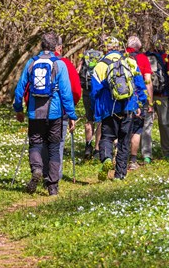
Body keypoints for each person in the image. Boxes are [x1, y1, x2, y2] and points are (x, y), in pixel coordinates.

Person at [13, 32, 77, 196]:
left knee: (35, 144)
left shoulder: (31, 62)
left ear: (41, 46)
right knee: (54, 147)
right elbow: (66, 93)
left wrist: (19, 110)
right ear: (56, 46)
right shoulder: (60, 64)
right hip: (55, 113)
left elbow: (20, 89)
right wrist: (71, 116)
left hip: (35, 113)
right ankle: (53, 186)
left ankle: (37, 169)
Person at [91, 36, 147, 181]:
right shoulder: (130, 62)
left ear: (106, 48)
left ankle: (107, 159)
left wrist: (96, 113)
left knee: (107, 138)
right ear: (119, 48)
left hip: (109, 109)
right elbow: (140, 85)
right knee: (124, 140)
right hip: (128, 107)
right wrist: (142, 103)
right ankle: (120, 174)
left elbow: (94, 92)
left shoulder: (100, 65)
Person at [41, 36, 82, 186]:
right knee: (57, 143)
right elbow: (75, 90)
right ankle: (53, 178)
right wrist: (71, 109)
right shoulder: (65, 64)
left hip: (38, 109)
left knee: (41, 142)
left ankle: (43, 172)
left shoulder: (35, 62)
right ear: (59, 48)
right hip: (59, 110)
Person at [143, 34, 169, 159]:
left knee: (147, 124)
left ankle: (146, 154)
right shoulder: (167, 57)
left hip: (147, 95)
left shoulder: (145, 57)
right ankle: (168, 152)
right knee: (164, 123)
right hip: (163, 94)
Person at [125, 35, 153, 170]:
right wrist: (150, 101)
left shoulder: (122, 57)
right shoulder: (142, 59)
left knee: (124, 128)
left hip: (122, 98)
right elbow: (148, 80)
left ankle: (120, 157)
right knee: (137, 130)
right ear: (139, 47)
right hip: (138, 99)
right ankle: (133, 160)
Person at [77, 48, 103, 159]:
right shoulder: (102, 59)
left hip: (87, 92)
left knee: (89, 119)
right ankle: (97, 149)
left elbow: (78, 72)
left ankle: (88, 146)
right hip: (98, 92)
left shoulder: (85, 58)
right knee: (99, 121)